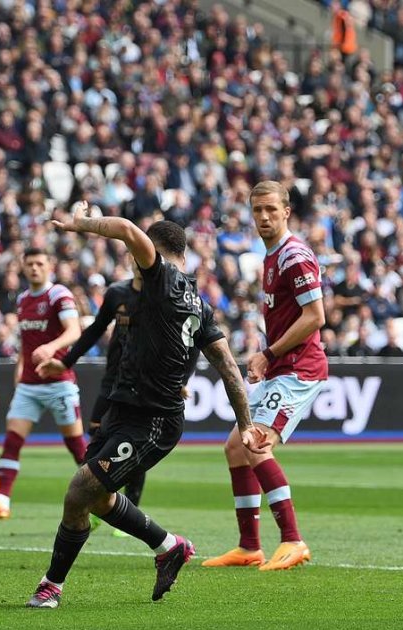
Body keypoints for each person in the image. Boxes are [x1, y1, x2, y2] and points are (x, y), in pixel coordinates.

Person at [26, 203, 263, 608]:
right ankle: (168, 545)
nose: (134, 261)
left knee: (78, 490)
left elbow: (125, 229)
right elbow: (227, 366)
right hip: (124, 408)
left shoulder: (162, 277)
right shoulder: (200, 304)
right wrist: (244, 423)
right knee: (94, 498)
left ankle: (52, 585)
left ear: (155, 249)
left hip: (152, 419)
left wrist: (78, 224)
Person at [203, 180, 327, 571]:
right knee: (236, 447)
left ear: (286, 211)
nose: (264, 217)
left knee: (255, 443)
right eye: (258, 210)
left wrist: (267, 353)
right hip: (280, 367)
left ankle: (293, 540)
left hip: (299, 369)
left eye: (272, 209)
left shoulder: (294, 256)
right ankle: (249, 546)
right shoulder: (270, 257)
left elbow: (316, 317)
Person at [0, 247, 85, 519]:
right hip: (29, 385)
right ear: (23, 267)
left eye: (39, 263)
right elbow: (26, 341)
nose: (34, 268)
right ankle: (2, 501)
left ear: (49, 266)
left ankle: (107, 497)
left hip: (59, 381)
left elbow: (74, 330)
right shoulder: (23, 299)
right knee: (12, 441)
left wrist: (50, 347)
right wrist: (21, 367)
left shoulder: (58, 294)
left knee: (77, 447)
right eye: (29, 264)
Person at [40, 263, 147, 538]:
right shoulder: (118, 293)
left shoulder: (163, 295)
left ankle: (130, 508)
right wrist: (65, 362)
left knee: (134, 448)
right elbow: (95, 330)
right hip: (112, 380)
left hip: (142, 384)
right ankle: (102, 502)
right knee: (96, 439)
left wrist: (180, 379)